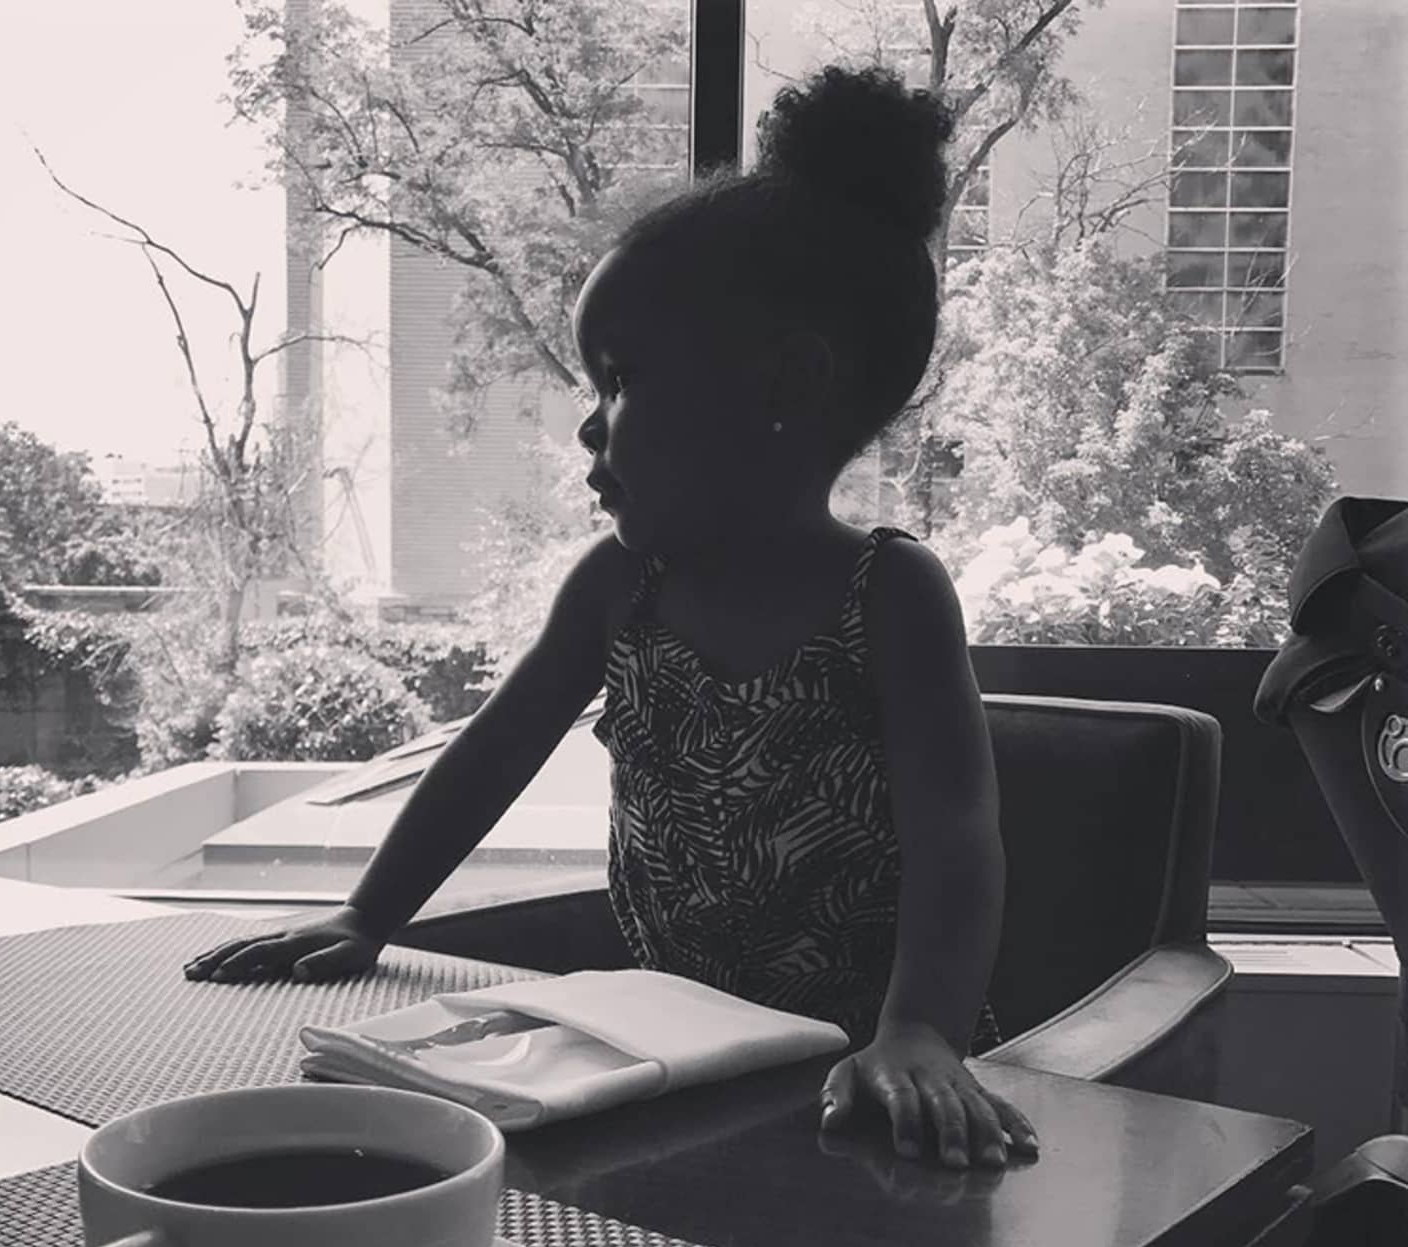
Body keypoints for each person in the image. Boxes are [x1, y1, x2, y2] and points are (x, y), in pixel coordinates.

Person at [186, 65, 1039, 1171]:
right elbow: (491, 753)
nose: (590, 429)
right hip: (666, 1061)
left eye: (622, 381)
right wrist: (368, 919)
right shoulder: (618, 588)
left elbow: (957, 839)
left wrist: (919, 1031)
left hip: (861, 1085)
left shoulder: (889, 596)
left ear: (786, 382)